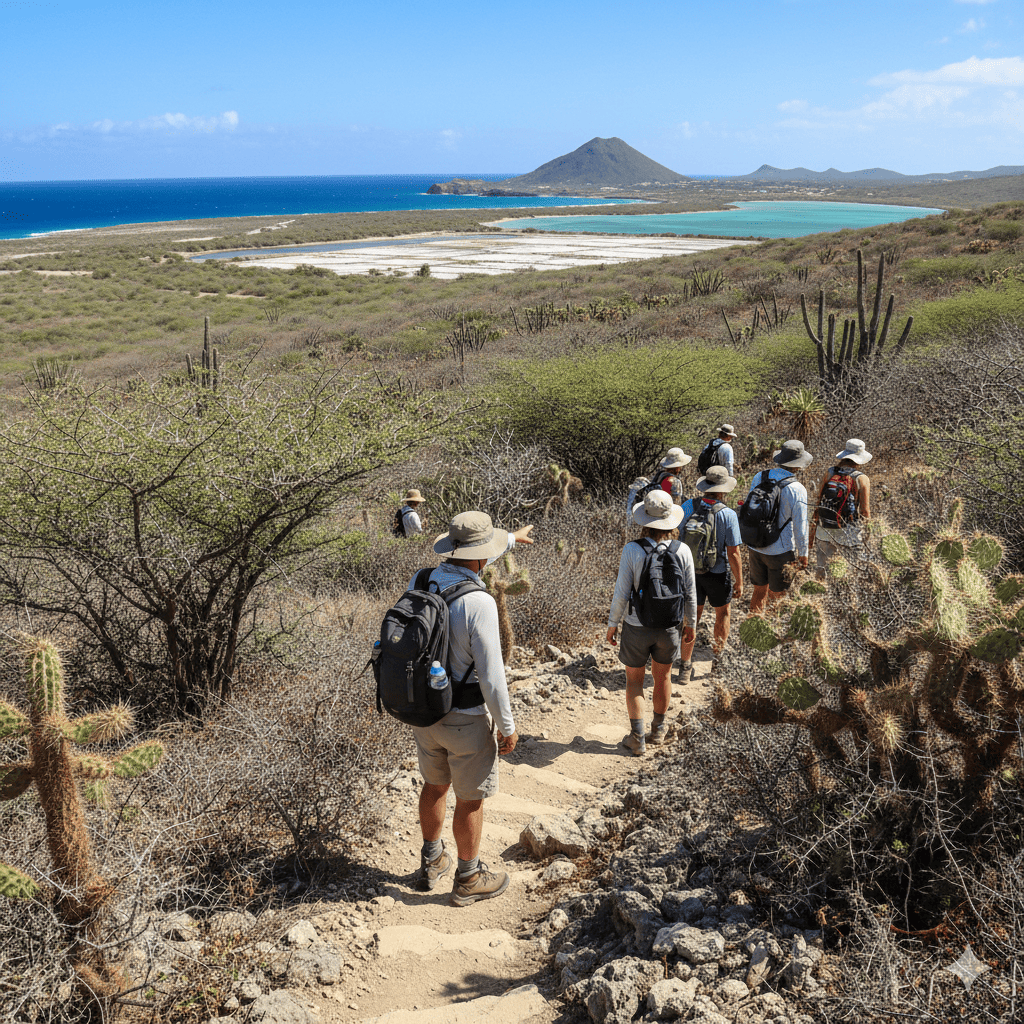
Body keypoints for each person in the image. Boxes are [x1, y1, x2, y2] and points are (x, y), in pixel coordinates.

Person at [413, 512, 534, 906]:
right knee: (470, 798)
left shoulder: (422, 580)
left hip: (424, 712)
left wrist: (511, 538)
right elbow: (492, 676)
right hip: (465, 718)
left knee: (434, 786)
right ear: (482, 558)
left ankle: (432, 860)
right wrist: (507, 725)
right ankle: (469, 877)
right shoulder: (479, 601)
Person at [606, 490, 696, 753]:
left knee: (634, 680)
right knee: (663, 676)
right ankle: (658, 730)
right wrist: (691, 625)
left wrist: (613, 624)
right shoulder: (683, 551)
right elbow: (691, 593)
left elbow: (621, 592)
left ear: (644, 520)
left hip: (636, 625)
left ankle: (637, 738)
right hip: (669, 625)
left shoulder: (632, 550)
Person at [678, 465, 744, 680]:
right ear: (723, 490)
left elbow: (675, 537)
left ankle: (685, 667)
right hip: (717, 573)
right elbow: (733, 553)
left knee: (691, 618)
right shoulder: (728, 514)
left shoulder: (688, 506)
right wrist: (739, 581)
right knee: (722, 615)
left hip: (690, 572)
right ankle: (718, 664)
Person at [745, 440, 812, 615]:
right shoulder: (797, 488)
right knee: (778, 596)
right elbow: (801, 525)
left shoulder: (760, 476)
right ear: (798, 464)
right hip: (780, 550)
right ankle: (773, 631)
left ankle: (753, 629)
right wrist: (803, 554)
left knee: (759, 591)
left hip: (755, 544)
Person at [810, 439, 872, 579]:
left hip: (824, 531)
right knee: (850, 576)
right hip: (849, 535)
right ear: (858, 459)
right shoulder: (861, 478)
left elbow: (818, 501)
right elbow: (865, 511)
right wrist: (868, 535)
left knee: (822, 574)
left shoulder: (830, 472)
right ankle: (844, 599)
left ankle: (819, 599)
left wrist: (812, 532)